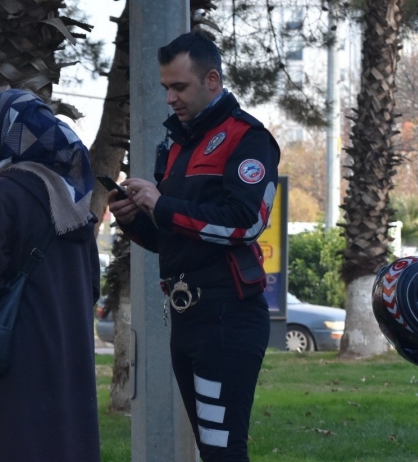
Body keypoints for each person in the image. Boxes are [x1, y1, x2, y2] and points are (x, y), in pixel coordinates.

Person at [108, 32, 280, 461]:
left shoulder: (248, 138)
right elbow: (175, 236)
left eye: (179, 87)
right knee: (210, 447)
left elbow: (247, 223)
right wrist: (135, 221)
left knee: (222, 449)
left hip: (228, 313)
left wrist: (161, 205)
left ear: (213, 81)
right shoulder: (175, 144)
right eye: (166, 87)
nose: (170, 98)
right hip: (189, 316)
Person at [0, 89, 101, 462]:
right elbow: (92, 282)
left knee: (13, 441)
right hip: (70, 349)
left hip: (18, 351)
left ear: (8, 133)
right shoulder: (73, 194)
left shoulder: (7, 187)